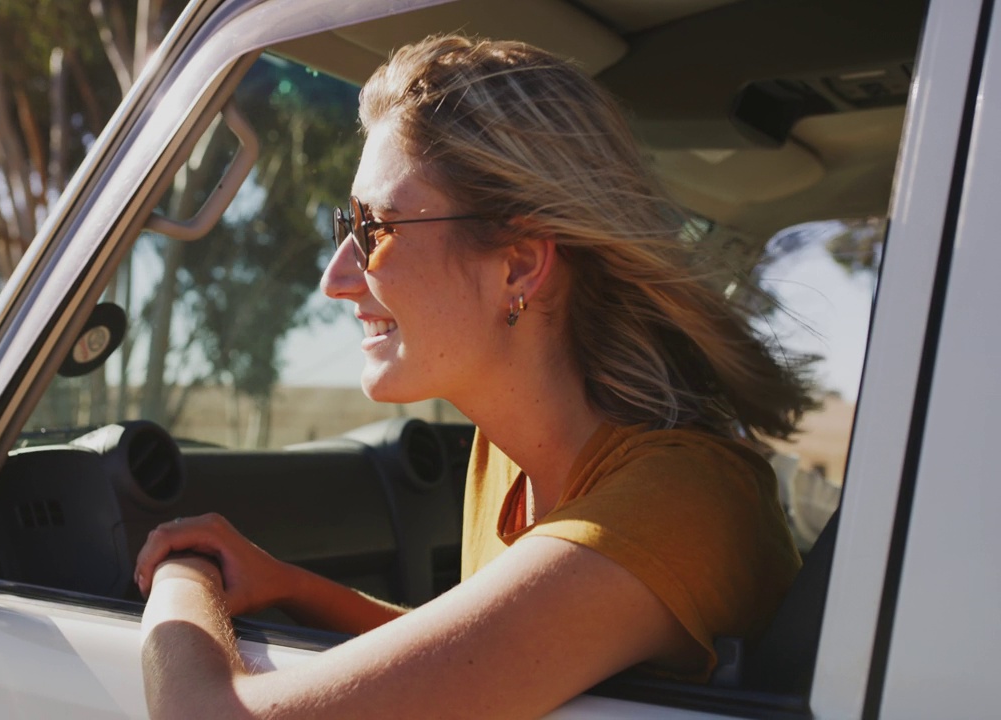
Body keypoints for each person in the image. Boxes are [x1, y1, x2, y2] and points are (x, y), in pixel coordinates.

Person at [134, 34, 809, 719]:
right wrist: (290, 585)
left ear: (518, 266)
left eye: (373, 229)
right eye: (348, 224)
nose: (336, 278)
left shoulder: (675, 506)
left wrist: (183, 577)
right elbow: (487, 663)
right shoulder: (507, 459)